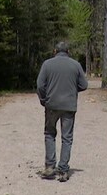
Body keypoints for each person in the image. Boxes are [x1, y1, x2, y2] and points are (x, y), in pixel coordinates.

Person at [36, 41, 88, 182]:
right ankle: (63, 170)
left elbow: (40, 85)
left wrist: (43, 100)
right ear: (68, 52)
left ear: (55, 51)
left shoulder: (47, 64)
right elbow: (84, 85)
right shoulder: (76, 65)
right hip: (69, 106)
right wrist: (72, 90)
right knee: (67, 138)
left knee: (49, 133)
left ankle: (50, 167)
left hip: (51, 105)